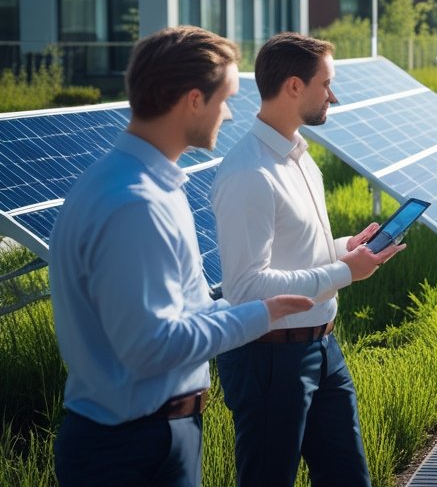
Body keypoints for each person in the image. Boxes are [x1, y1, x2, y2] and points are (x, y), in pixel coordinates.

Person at [49, 26, 315, 487]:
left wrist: (238, 306)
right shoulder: (137, 202)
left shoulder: (134, 182)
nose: (229, 115)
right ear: (194, 99)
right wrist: (258, 315)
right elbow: (151, 345)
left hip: (138, 436)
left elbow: (176, 315)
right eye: (224, 98)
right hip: (132, 448)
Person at [211, 33, 404, 487]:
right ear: (294, 87)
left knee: (348, 478)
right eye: (326, 83)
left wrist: (344, 248)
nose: (333, 95)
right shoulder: (249, 173)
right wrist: (344, 272)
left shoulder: (299, 155)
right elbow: (245, 288)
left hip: (322, 348)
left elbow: (294, 250)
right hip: (269, 360)